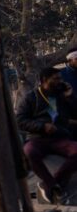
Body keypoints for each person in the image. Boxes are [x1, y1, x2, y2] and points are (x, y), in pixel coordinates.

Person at [16, 66, 77, 203]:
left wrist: (71, 97)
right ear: (45, 80)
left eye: (60, 78)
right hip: (38, 138)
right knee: (29, 152)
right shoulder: (31, 98)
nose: (60, 81)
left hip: (60, 137)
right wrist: (41, 126)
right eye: (56, 79)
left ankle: (51, 184)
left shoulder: (62, 96)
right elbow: (20, 120)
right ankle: (53, 185)